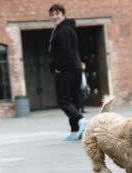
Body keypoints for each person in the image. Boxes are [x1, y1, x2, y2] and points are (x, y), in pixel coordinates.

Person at [48, 3, 88, 141]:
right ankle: (75, 131)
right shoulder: (68, 29)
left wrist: (58, 67)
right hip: (75, 68)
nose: (55, 17)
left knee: (63, 100)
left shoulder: (63, 30)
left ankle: (79, 119)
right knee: (73, 99)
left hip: (67, 69)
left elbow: (65, 51)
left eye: (57, 14)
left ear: (63, 14)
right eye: (52, 15)